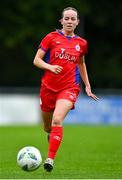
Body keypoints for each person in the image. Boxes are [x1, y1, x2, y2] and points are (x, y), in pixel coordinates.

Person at [33, 7, 98, 172]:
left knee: (57, 120)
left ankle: (50, 159)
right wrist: (50, 66)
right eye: (67, 19)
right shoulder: (51, 37)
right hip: (48, 88)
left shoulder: (81, 43)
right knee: (47, 127)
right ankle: (51, 134)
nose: (69, 21)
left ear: (77, 22)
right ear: (61, 21)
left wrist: (87, 86)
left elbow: (81, 63)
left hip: (69, 88)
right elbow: (36, 60)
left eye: (73, 19)